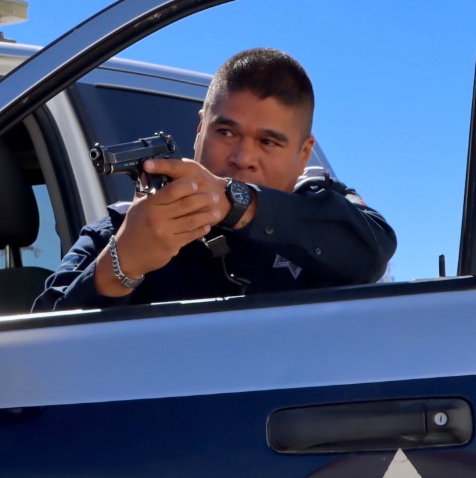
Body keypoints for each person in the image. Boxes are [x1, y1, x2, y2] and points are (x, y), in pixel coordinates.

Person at [33, 48, 396, 312]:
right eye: (225, 132)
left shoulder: (325, 215)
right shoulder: (120, 230)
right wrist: (121, 266)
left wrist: (236, 202)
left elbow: (373, 251)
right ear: (200, 130)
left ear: (304, 154)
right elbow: (36, 353)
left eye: (268, 142)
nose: (242, 157)